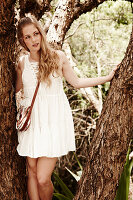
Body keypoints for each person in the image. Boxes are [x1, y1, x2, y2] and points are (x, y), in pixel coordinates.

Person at [15, 15, 117, 200]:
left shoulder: (57, 57)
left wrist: (107, 78)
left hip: (53, 122)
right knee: (31, 172)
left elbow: (76, 82)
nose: (33, 40)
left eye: (35, 34)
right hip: (31, 124)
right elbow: (16, 91)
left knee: (43, 178)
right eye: (27, 37)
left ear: (41, 33)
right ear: (22, 40)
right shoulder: (22, 63)